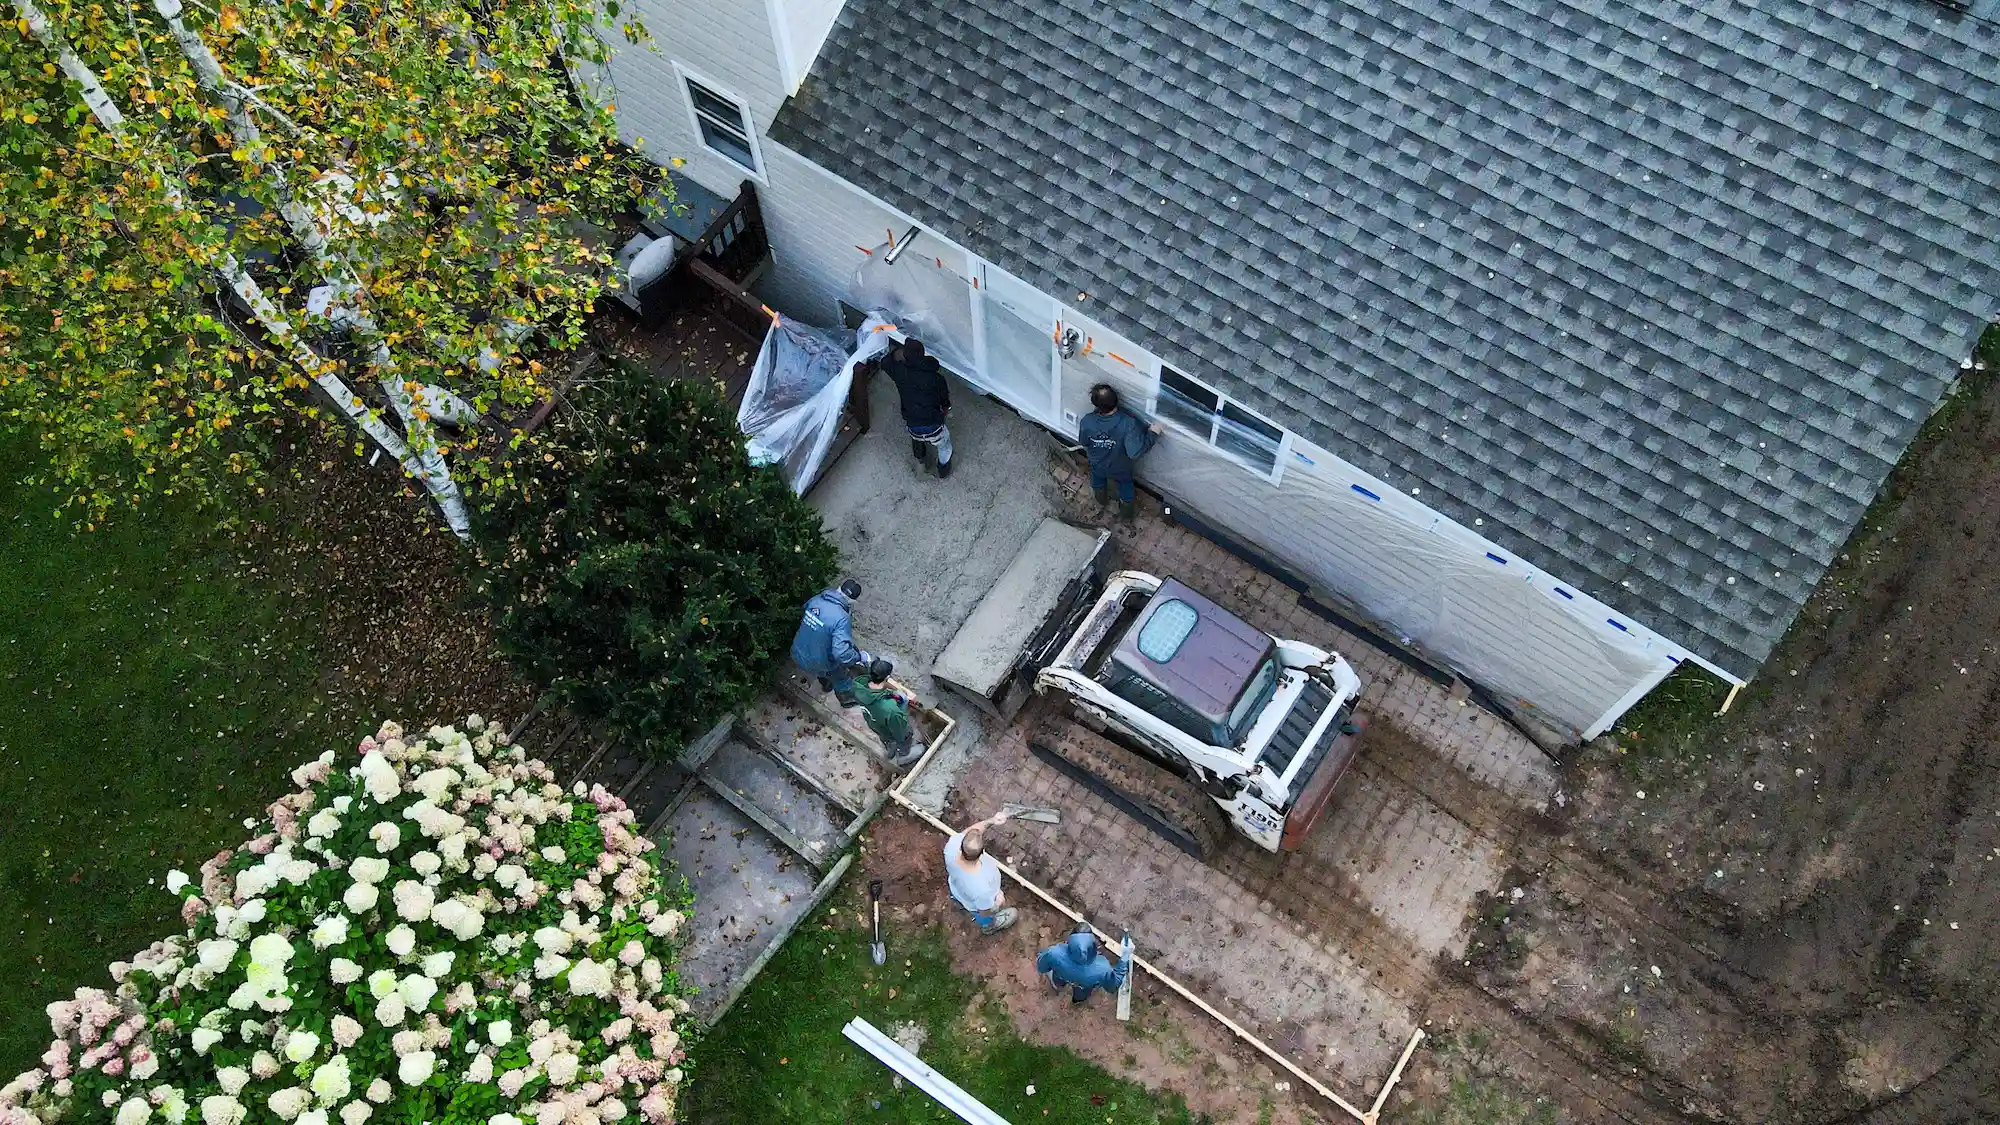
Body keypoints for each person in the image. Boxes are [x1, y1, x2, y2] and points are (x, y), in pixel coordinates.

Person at [1077, 384, 1161, 521]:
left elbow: (1084, 442)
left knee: (1097, 481)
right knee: (1125, 487)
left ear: (1095, 405)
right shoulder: (1128, 423)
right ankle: (1126, 517)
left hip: (1097, 464)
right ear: (1117, 400)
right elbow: (1135, 452)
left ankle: (1100, 503)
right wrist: (1153, 434)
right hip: (1120, 468)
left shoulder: (1087, 421)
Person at [790, 579, 872, 706]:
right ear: (853, 601)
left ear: (839, 588)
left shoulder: (817, 599)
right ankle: (846, 700)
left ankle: (826, 684)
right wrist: (859, 657)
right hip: (817, 662)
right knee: (841, 676)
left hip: (798, 651)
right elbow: (842, 654)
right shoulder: (841, 617)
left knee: (822, 666)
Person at [883, 338, 954, 479]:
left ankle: (921, 465)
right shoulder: (936, 378)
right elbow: (944, 400)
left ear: (904, 356)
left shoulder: (900, 373)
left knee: (917, 439)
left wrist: (898, 352)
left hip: (912, 422)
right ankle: (943, 471)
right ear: (923, 354)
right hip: (933, 424)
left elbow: (885, 362)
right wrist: (946, 410)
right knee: (944, 446)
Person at [944, 809, 1016, 934]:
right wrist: (997, 903)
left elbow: (971, 833)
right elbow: (984, 910)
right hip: (978, 904)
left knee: (961, 896)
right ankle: (989, 926)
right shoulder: (981, 889)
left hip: (957, 888)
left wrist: (992, 820)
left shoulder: (952, 846)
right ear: (981, 852)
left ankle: (957, 899)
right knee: (983, 916)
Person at [1036, 922, 1131, 1005]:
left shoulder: (1054, 953)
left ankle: (1057, 986)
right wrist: (1125, 958)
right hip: (1083, 985)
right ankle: (1077, 1000)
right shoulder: (1102, 968)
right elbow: (1113, 986)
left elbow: (1041, 967)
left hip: (1061, 975)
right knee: (1082, 993)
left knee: (1057, 980)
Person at [852, 658, 922, 768]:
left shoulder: (859, 687)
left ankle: (890, 747)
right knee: (906, 734)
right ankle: (903, 755)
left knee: (885, 736)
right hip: (889, 726)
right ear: (887, 678)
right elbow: (900, 729)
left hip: (875, 724)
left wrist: (890, 694)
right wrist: (902, 706)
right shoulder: (891, 709)